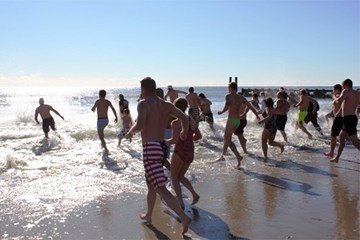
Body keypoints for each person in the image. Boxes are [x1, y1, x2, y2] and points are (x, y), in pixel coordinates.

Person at [125, 77, 191, 234]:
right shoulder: (166, 104)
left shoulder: (143, 103)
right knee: (151, 185)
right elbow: (184, 117)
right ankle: (149, 215)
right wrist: (184, 131)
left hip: (150, 148)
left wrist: (129, 131)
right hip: (161, 146)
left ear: (143, 89)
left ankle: (183, 217)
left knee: (161, 188)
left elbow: (140, 125)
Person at [166, 98, 201, 210]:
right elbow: (199, 136)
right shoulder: (191, 120)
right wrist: (190, 139)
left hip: (180, 151)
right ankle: (194, 194)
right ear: (186, 107)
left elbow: (175, 140)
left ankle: (180, 202)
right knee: (181, 176)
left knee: (174, 177)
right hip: (190, 151)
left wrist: (163, 140)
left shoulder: (175, 123)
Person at [218, 82, 259, 168]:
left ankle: (238, 157)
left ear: (231, 88)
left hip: (231, 120)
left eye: (228, 87)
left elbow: (226, 107)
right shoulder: (241, 97)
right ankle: (222, 156)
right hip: (237, 121)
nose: (227, 89)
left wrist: (221, 112)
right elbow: (250, 106)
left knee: (227, 139)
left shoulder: (228, 96)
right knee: (227, 138)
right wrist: (257, 115)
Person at [329, 79, 360, 163]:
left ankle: (336, 157)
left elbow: (339, 100)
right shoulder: (357, 93)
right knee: (341, 137)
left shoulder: (346, 91)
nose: (342, 87)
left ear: (346, 85)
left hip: (348, 119)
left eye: (342, 86)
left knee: (354, 141)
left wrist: (335, 96)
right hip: (353, 117)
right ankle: (337, 158)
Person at [323, 84, 343, 159]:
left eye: (333, 89)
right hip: (338, 117)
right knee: (340, 136)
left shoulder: (338, 96)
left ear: (337, 89)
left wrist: (334, 96)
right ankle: (331, 152)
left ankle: (331, 152)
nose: (332, 91)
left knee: (334, 136)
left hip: (339, 118)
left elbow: (339, 103)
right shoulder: (340, 96)